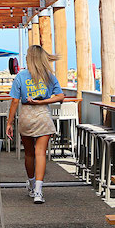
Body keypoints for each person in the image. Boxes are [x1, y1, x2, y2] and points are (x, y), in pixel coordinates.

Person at [6, 45, 73, 204]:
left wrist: (9, 123)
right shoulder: (49, 76)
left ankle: (31, 184)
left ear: (29, 58)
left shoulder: (20, 76)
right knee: (40, 153)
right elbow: (60, 96)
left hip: (26, 115)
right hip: (43, 114)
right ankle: (38, 191)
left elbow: (15, 101)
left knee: (29, 154)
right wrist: (43, 101)